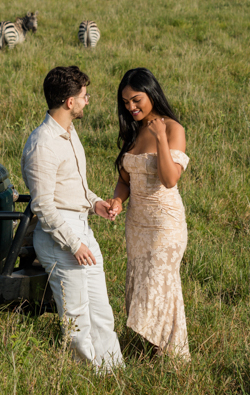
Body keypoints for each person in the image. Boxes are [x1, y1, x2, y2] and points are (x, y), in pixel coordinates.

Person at [21, 65, 124, 372]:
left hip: (81, 227)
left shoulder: (69, 134)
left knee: (100, 309)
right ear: (69, 102)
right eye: (83, 96)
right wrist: (74, 243)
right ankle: (91, 375)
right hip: (59, 237)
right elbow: (43, 207)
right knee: (76, 315)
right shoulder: (43, 144)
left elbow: (73, 187)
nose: (87, 101)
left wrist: (96, 204)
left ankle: (114, 372)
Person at [104, 67, 191, 360]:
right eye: (126, 102)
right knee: (144, 283)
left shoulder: (173, 129)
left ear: (152, 94)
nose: (131, 107)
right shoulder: (132, 131)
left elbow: (169, 179)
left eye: (136, 99)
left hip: (165, 224)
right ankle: (157, 349)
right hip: (137, 225)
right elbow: (125, 179)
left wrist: (162, 138)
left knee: (161, 285)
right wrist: (117, 201)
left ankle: (171, 356)